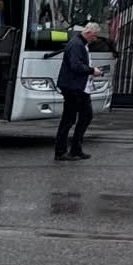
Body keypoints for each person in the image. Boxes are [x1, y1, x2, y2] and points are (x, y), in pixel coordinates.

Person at [54, 22, 100, 161]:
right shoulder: (76, 45)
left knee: (85, 116)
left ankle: (75, 149)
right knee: (69, 119)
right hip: (73, 87)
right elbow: (75, 66)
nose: (95, 39)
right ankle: (61, 152)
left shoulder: (80, 44)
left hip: (80, 87)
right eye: (95, 35)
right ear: (88, 33)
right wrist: (92, 70)